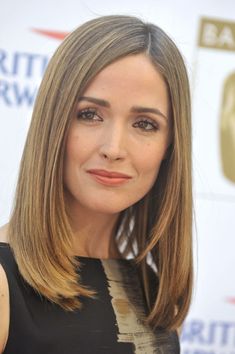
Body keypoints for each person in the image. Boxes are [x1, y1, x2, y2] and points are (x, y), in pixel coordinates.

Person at [0, 15, 193, 353]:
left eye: (145, 124)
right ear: (53, 123)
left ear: (169, 146)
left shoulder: (152, 288)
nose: (114, 149)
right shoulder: (5, 282)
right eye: (89, 114)